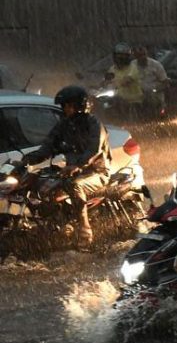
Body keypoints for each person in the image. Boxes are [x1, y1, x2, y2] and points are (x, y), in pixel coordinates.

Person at [22, 85, 111, 250]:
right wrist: (26, 160)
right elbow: (47, 147)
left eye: (68, 105)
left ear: (79, 105)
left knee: (74, 185)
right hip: (71, 172)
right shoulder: (63, 126)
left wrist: (77, 165)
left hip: (96, 172)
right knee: (39, 182)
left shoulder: (94, 125)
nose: (65, 109)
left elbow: (93, 150)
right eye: (64, 106)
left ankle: (85, 228)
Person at [105, 42, 143, 116]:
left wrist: (116, 84)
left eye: (123, 55)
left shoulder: (133, 67)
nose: (120, 58)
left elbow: (128, 80)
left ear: (127, 56)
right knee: (104, 106)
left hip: (133, 102)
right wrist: (99, 86)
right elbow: (107, 80)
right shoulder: (112, 69)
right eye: (118, 55)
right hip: (118, 101)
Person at [133, 45, 169, 116]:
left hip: (154, 95)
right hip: (137, 95)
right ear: (135, 56)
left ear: (147, 54)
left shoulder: (156, 65)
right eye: (139, 55)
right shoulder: (132, 66)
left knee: (152, 99)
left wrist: (154, 90)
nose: (142, 57)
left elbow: (165, 83)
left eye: (144, 54)